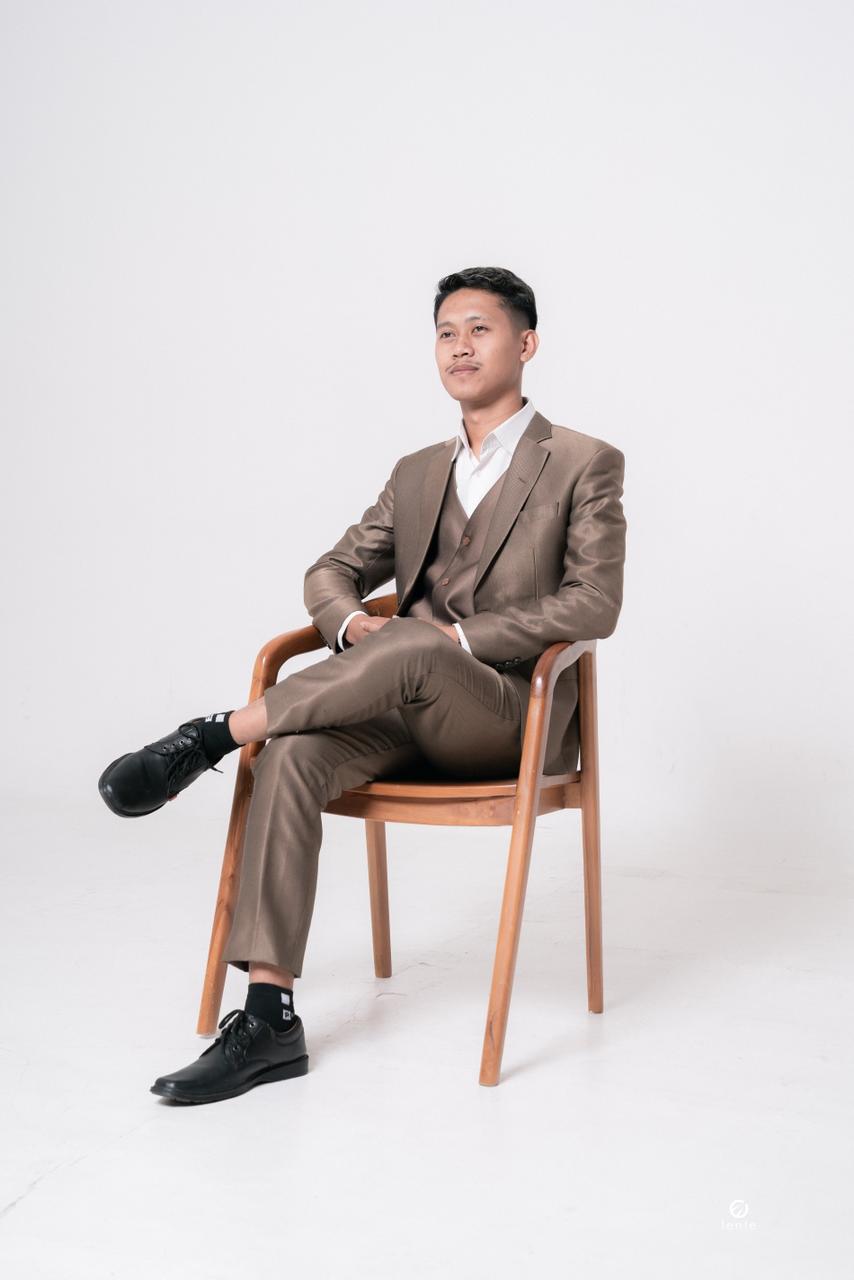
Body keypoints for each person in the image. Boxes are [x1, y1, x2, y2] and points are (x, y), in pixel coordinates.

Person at [98, 266, 627, 1105]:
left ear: (526, 344)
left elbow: (594, 603)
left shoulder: (583, 463)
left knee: (412, 644)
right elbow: (332, 569)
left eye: (480, 329)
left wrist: (450, 638)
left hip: (508, 719)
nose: (459, 346)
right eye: (446, 331)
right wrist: (349, 626)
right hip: (396, 707)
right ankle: (269, 1017)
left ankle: (212, 734)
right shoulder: (416, 472)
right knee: (292, 753)